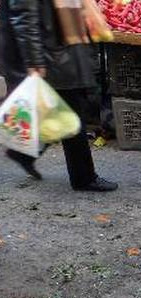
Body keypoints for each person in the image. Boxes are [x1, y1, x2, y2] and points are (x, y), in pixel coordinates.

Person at [0, 0, 117, 190]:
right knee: (72, 109)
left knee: (66, 106)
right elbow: (24, 17)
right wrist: (34, 61)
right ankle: (84, 178)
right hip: (49, 50)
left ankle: (24, 154)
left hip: (59, 45)